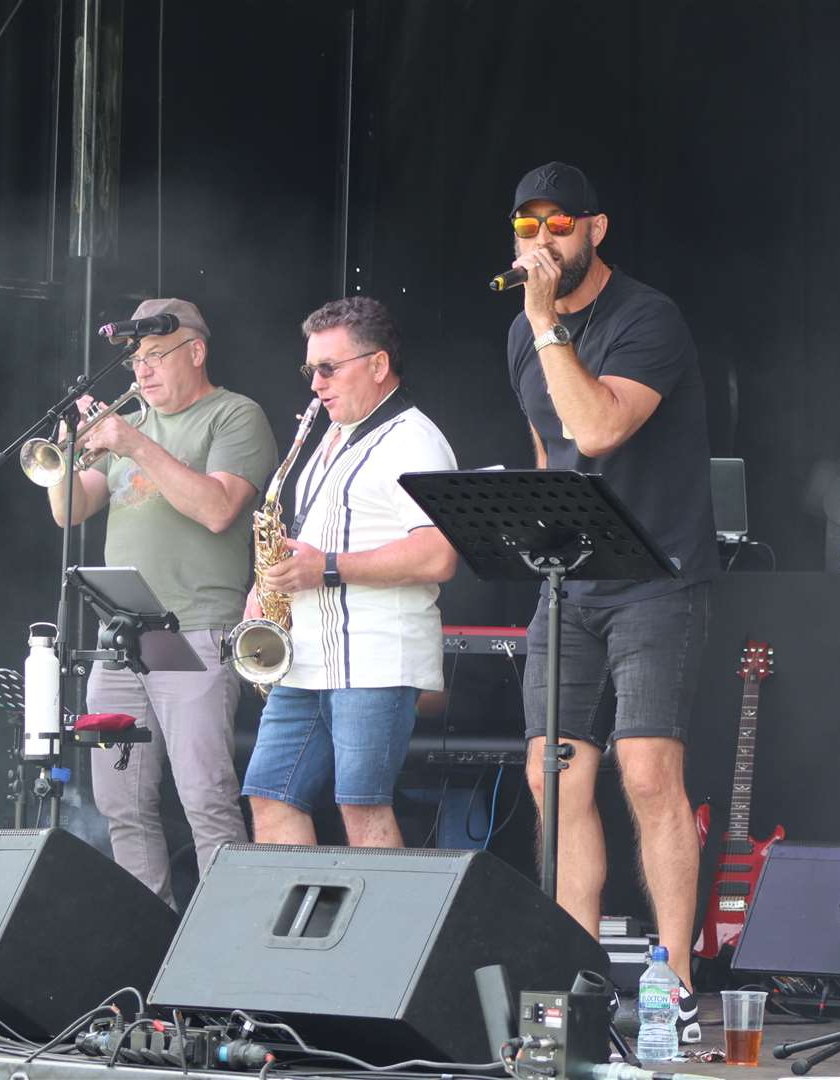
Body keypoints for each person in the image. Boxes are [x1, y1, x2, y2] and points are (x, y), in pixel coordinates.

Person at [505, 161, 715, 1043]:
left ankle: (674, 979)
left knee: (646, 773)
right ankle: (578, 977)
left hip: (657, 577)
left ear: (596, 227)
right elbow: (554, 450)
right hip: (571, 578)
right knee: (552, 773)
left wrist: (549, 327)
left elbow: (597, 427)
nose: (542, 241)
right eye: (526, 228)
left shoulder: (646, 318)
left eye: (557, 224)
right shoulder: (522, 333)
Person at [47, 297, 279, 907]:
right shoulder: (133, 424)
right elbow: (69, 510)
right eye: (135, 362)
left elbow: (218, 508)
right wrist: (67, 455)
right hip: (121, 637)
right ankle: (146, 948)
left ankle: (224, 951)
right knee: (119, 803)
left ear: (196, 352)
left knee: (205, 798)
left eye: (155, 356)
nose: (141, 372)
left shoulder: (233, 416)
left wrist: (132, 443)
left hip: (194, 630)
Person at [241, 296, 458, 848]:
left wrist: (328, 568)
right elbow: (312, 538)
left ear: (378, 365)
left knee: (361, 808)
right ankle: (295, 932)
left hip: (374, 660)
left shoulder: (415, 441)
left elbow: (438, 555)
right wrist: (265, 586)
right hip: (306, 658)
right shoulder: (332, 436)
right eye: (311, 369)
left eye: (329, 368)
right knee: (270, 795)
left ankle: (389, 936)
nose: (316, 384)